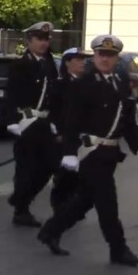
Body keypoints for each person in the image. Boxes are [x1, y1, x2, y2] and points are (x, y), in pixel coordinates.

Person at [37, 35, 138, 266]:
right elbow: (72, 122)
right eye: (101, 54)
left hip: (109, 153)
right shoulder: (83, 85)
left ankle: (50, 231)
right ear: (95, 56)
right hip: (90, 153)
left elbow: (126, 121)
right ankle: (118, 249)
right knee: (108, 203)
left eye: (110, 55)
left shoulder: (120, 81)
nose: (105, 59)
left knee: (85, 200)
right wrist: (69, 152)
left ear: (116, 58)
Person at [5, 22, 60, 227]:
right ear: (30, 41)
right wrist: (11, 121)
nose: (44, 43)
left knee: (49, 166)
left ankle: (20, 197)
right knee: (26, 169)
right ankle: (21, 210)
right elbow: (11, 96)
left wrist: (56, 121)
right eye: (39, 39)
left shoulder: (49, 63)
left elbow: (53, 95)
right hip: (26, 123)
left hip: (44, 123)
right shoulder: (20, 65)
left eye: (46, 39)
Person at [49, 47, 88, 213]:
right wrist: (57, 132)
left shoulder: (84, 83)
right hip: (64, 135)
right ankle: (59, 205)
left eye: (82, 59)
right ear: (67, 63)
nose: (82, 62)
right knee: (64, 173)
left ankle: (70, 203)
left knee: (77, 173)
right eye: (77, 59)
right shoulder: (60, 84)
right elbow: (54, 111)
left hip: (81, 136)